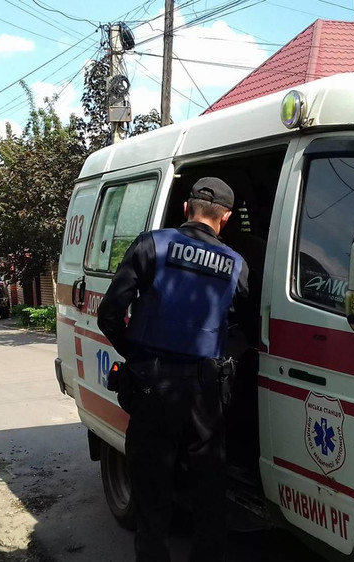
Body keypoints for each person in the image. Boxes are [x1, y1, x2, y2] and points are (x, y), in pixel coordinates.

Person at [97, 177, 249, 562]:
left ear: (186, 208)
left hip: (153, 387)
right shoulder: (236, 265)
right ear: (226, 218)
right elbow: (245, 328)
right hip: (205, 393)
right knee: (209, 498)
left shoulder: (152, 245)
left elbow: (110, 313)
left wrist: (137, 355)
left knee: (152, 496)